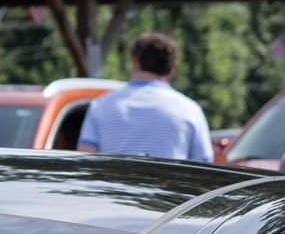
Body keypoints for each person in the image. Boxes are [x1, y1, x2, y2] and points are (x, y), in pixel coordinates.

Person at [78, 31, 212, 161]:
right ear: (172, 70)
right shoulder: (191, 110)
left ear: (135, 62)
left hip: (113, 183)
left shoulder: (100, 106)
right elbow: (205, 170)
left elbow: (84, 161)